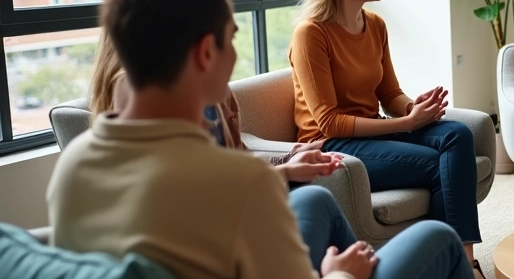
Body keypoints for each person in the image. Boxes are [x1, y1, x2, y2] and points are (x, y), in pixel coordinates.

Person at [48, 0, 500, 279]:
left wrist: (282, 170)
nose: (234, 57)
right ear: (205, 53)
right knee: (438, 239)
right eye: (231, 39)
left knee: (315, 203)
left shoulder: (76, 165)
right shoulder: (239, 182)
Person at [290, 0, 503, 279]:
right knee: (437, 165)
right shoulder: (311, 34)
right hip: (333, 146)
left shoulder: (374, 24)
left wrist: (412, 108)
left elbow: (389, 94)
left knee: (457, 133)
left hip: (371, 132)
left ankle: (462, 263)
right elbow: (330, 122)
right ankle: (442, 275)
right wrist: (405, 124)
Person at [89, 31, 336, 185]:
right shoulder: (149, 98)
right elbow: (203, 188)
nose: (230, 54)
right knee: (315, 200)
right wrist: (285, 172)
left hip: (228, 209)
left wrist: (288, 158)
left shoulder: (210, 93)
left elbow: (234, 160)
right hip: (216, 222)